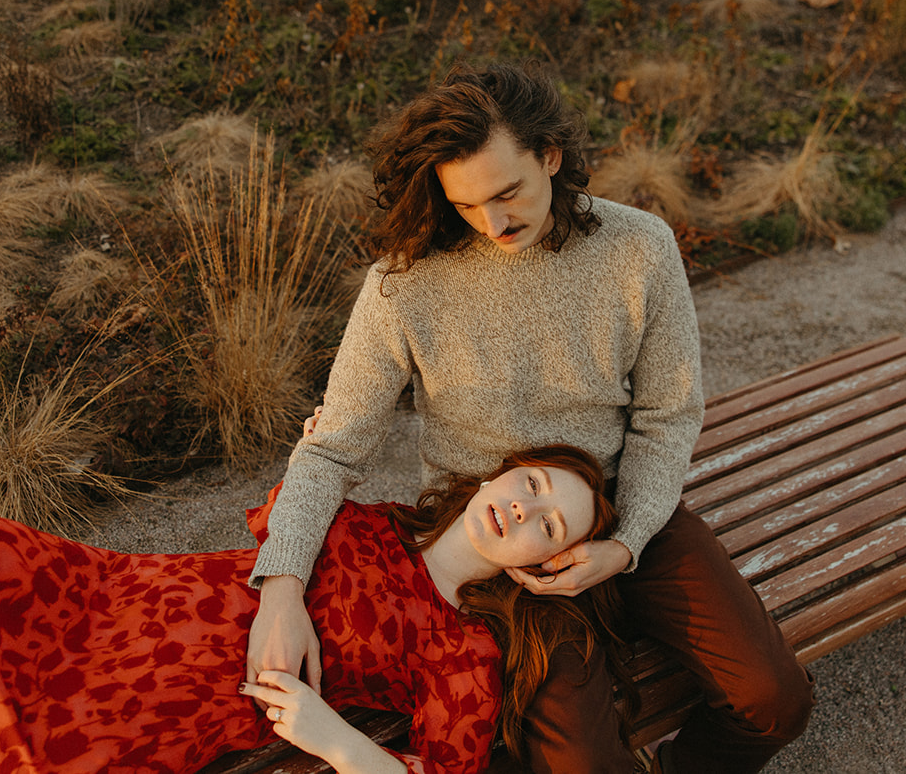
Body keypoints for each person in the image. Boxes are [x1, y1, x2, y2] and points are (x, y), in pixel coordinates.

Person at [247, 64, 814, 774]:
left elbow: (668, 419)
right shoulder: (405, 285)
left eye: (508, 192)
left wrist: (628, 540)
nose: (494, 223)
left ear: (549, 154)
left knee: (775, 699)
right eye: (467, 204)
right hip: (499, 549)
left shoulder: (639, 247)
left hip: (623, 505)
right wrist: (281, 588)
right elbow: (330, 451)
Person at [0, 445, 628, 774]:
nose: (526, 506)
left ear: (551, 564)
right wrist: (288, 579)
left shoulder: (464, 650)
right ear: (506, 467)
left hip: (168, 695)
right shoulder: (383, 519)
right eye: (535, 481)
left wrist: (327, 733)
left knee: (2, 736)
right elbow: (287, 513)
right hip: (109, 589)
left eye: (550, 524)